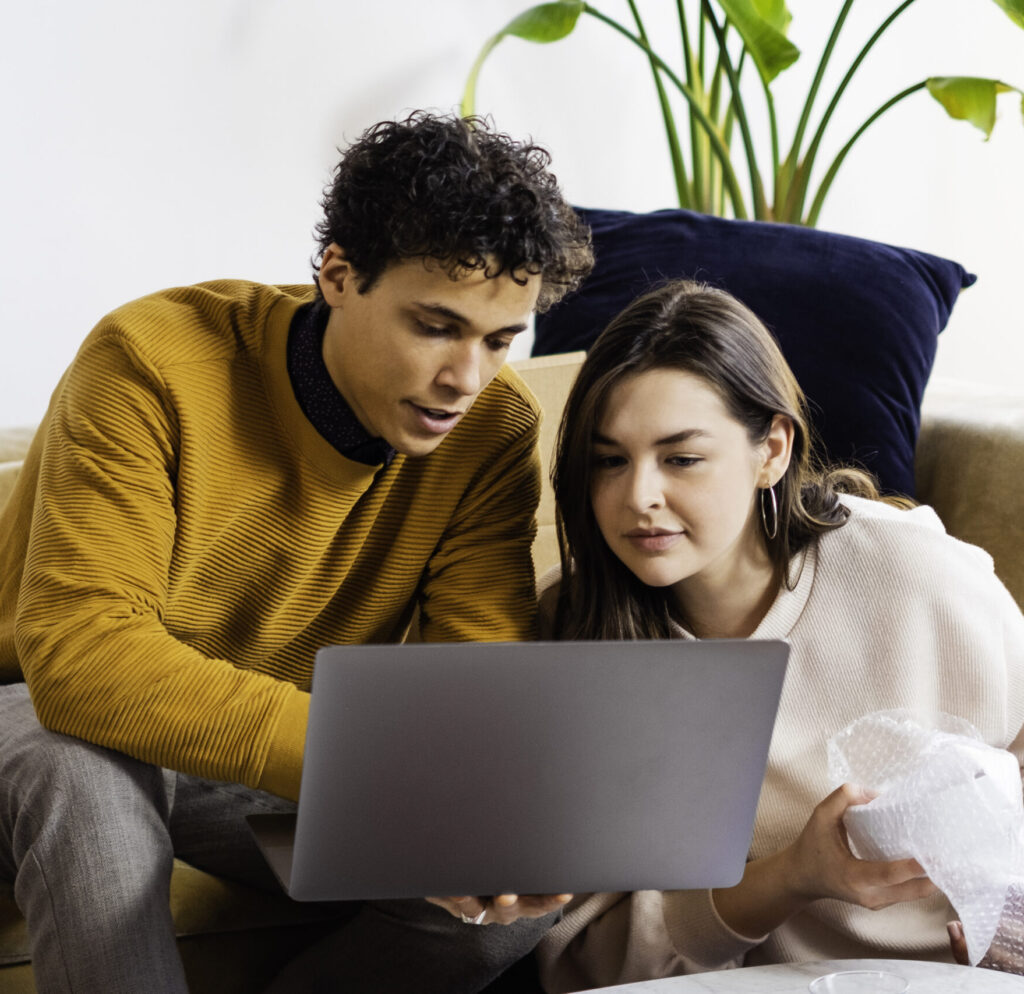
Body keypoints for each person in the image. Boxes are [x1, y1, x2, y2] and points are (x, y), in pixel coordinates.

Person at [0, 111, 593, 994]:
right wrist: (378, 764)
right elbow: (82, 656)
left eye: (500, 341)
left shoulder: (493, 433)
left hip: (260, 757)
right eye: (436, 326)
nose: (466, 380)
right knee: (79, 773)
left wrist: (472, 817)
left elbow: (471, 690)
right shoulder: (151, 360)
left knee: (508, 901)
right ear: (339, 275)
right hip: (40, 717)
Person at [530, 280, 1024, 991]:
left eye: (681, 458)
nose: (638, 496)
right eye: (609, 460)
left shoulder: (916, 578)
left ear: (773, 449)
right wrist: (792, 877)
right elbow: (585, 961)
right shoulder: (573, 633)